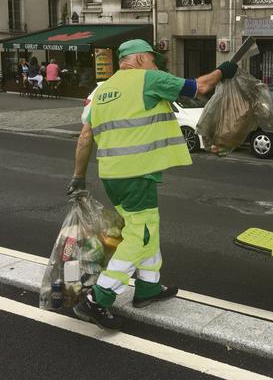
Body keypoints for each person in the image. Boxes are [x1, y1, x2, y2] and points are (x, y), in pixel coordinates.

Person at [66, 39, 237, 330]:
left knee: (147, 225)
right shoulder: (148, 78)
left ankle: (148, 287)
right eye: (154, 59)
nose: (156, 65)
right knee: (140, 235)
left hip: (112, 175)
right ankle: (99, 297)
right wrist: (224, 70)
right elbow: (199, 88)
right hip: (136, 174)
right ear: (141, 59)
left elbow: (85, 138)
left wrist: (78, 177)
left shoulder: (101, 91)